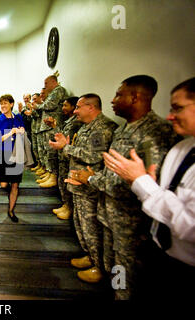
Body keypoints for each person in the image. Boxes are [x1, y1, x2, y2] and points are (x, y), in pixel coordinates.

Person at [70, 75, 179, 299]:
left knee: (126, 270)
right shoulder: (123, 130)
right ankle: (115, 291)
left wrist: (91, 179)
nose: (113, 100)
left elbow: (145, 180)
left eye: (119, 94)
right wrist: (95, 176)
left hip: (129, 220)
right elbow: (113, 169)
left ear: (135, 97)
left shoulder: (155, 132)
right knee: (113, 264)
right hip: (110, 211)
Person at [102, 77, 195, 299]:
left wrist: (142, 182)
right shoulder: (183, 148)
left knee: (127, 275)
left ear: (135, 97)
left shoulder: (160, 132)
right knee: (118, 268)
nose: (171, 115)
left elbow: (189, 222)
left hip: (134, 222)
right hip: (122, 217)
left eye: (178, 108)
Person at [50, 94, 117, 283]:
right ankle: (91, 256)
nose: (75, 111)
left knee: (91, 228)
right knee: (83, 227)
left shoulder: (103, 128)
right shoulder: (87, 127)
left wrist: (66, 147)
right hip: (79, 186)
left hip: (90, 189)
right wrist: (65, 146)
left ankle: (98, 266)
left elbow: (92, 156)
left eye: (78, 107)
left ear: (91, 107)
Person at [48, 96, 83, 219]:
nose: (63, 108)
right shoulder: (69, 120)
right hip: (65, 156)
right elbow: (61, 136)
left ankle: (69, 206)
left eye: (65, 105)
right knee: (63, 183)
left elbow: (66, 139)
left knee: (66, 184)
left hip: (69, 157)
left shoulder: (76, 122)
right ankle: (66, 205)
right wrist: (54, 126)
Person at [0, 94, 25, 223]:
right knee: (4, 184)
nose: (3, 106)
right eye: (1, 104)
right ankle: (11, 189)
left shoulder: (18, 117)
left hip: (17, 154)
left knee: (15, 185)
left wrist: (22, 131)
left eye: (5, 103)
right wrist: (10, 133)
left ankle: (11, 210)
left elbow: (22, 131)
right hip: (3, 154)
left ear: (11, 104)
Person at [36, 76, 68, 188]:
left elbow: (49, 105)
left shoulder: (59, 90)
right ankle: (50, 173)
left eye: (46, 83)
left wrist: (38, 106)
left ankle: (53, 176)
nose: (45, 86)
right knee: (47, 152)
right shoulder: (53, 92)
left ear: (53, 82)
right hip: (48, 126)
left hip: (53, 126)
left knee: (52, 153)